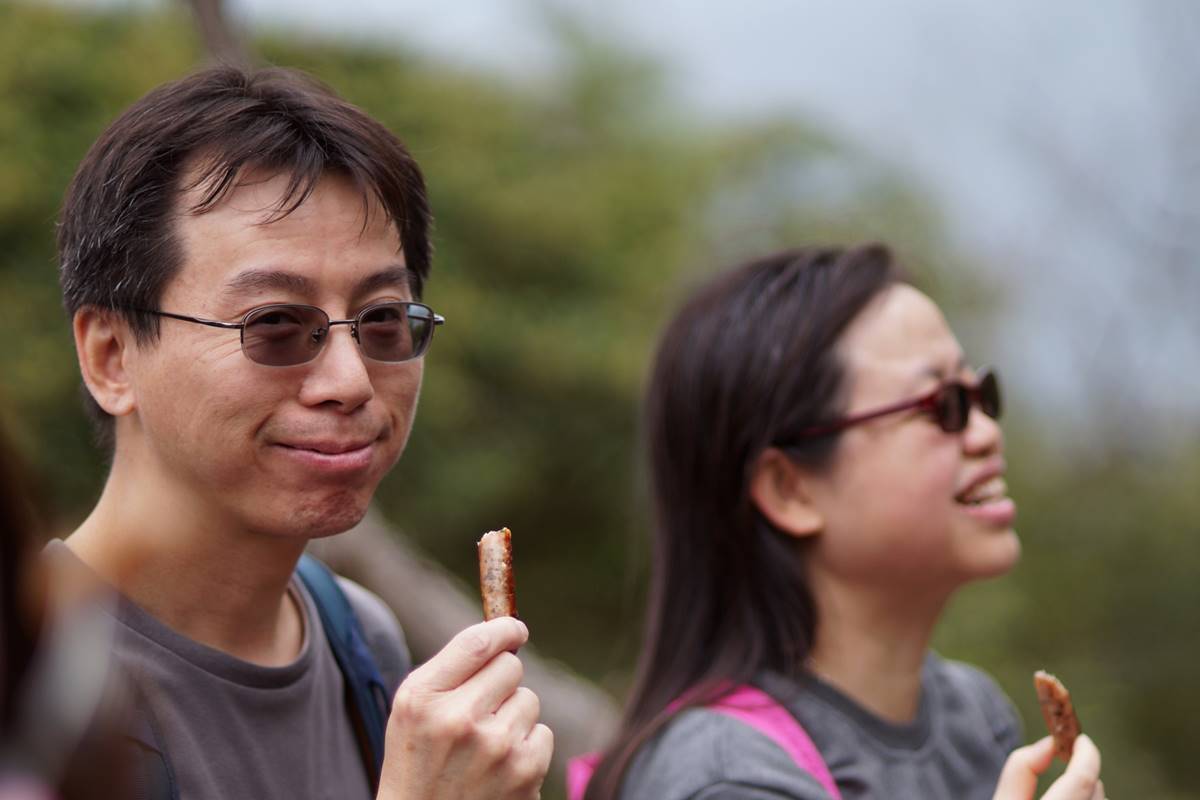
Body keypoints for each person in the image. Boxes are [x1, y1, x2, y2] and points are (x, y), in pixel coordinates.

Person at [53, 65, 552, 799]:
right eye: (276, 324)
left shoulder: (362, 646)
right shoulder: (33, 694)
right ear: (111, 357)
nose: (349, 381)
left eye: (383, 319)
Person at [576, 245, 1104, 800]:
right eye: (944, 405)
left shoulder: (974, 719)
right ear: (790, 489)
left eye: (982, 394)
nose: (987, 433)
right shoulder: (724, 777)